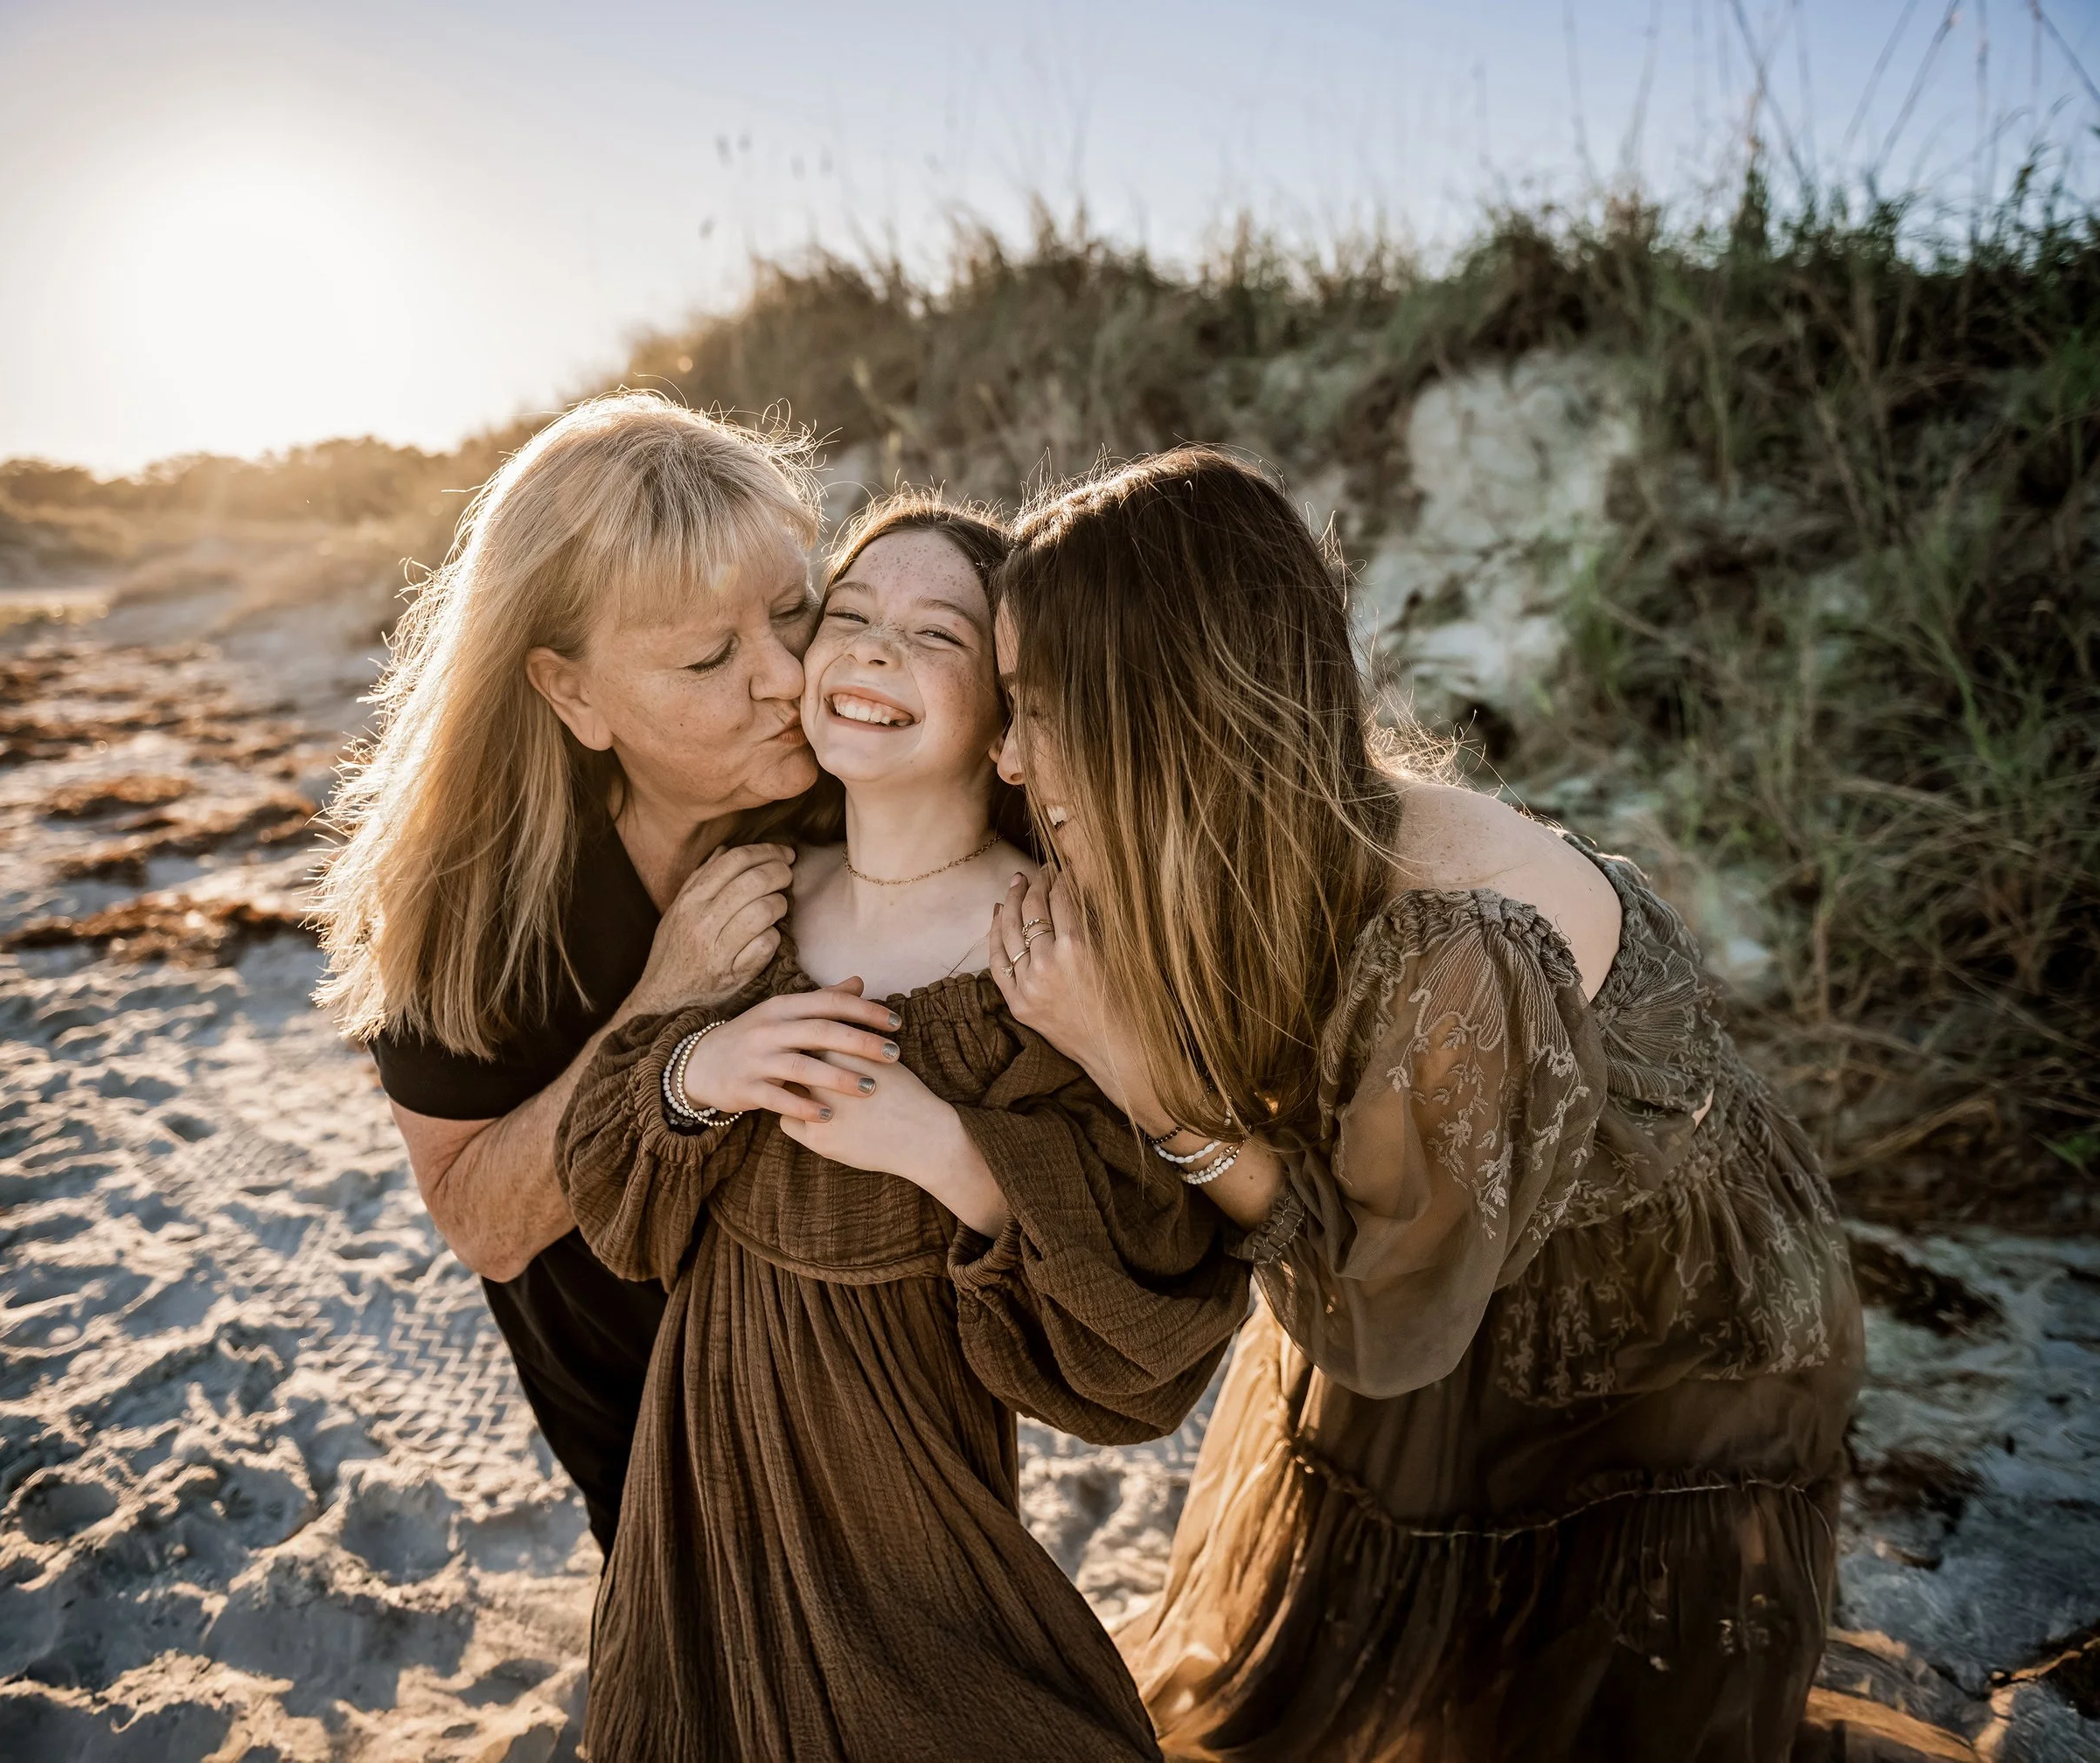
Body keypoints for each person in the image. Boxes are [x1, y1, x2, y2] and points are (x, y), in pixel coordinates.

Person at [984, 448, 1863, 1762]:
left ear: (1151, 712)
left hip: (1669, 1362)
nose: (1004, 758)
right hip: (1456, 1265)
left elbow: (1383, 1332)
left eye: (1031, 707)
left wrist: (1138, 1074)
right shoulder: (1266, 837)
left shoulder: (1455, 952)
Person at [553, 492, 1249, 1763]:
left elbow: (1152, 1318)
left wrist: (949, 1149)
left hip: (907, 1471)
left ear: (1009, 721)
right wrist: (701, 1067)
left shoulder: (1046, 944)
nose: (872, 651)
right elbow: (607, 1188)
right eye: (852, 616)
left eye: (936, 637)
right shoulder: (750, 892)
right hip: (706, 1448)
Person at [315, 392, 895, 1554]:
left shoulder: (872, 783)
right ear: (570, 691)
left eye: (794, 610)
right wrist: (658, 1010)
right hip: (643, 1425)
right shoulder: (465, 905)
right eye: (707, 655)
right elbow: (482, 1223)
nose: (785, 676)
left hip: (882, 1409)